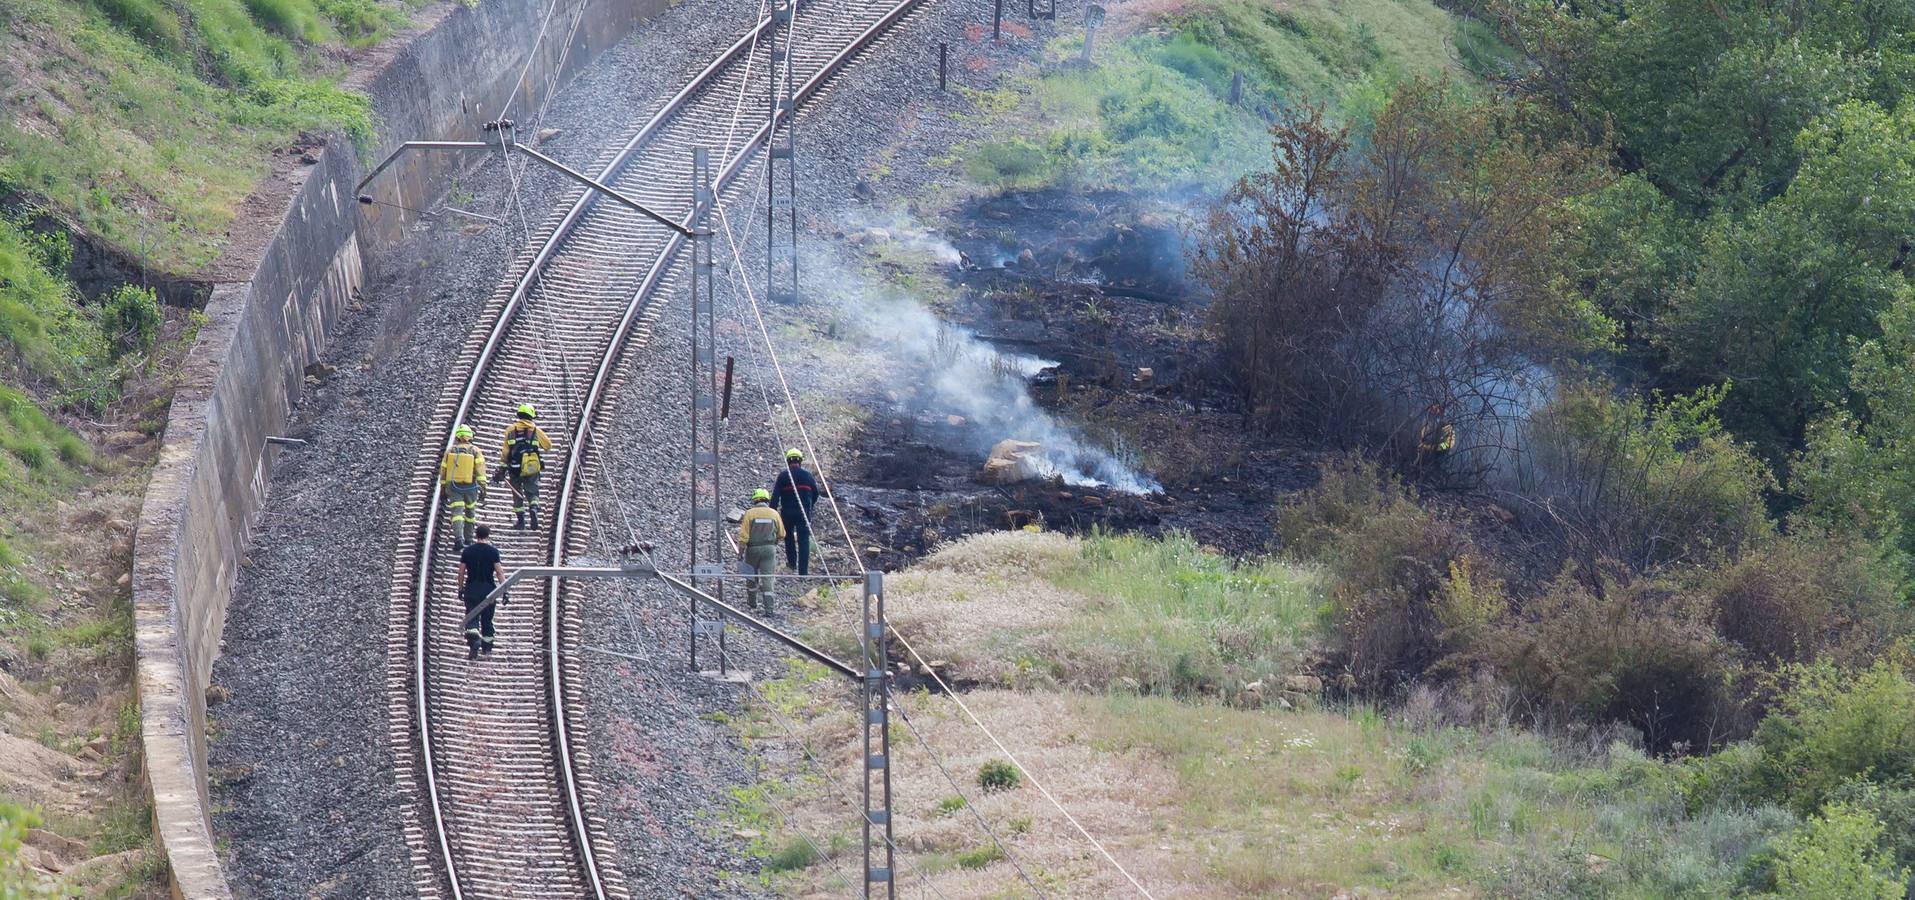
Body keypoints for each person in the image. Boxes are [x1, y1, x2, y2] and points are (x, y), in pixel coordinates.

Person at [500, 403, 554, 530]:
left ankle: (521, 522)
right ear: (531, 416)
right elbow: (548, 446)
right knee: (532, 491)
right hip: (531, 468)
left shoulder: (510, 429)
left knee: (517, 493)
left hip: (515, 468)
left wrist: (502, 467)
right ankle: (534, 507)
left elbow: (505, 452)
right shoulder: (535, 430)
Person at [458, 525, 505, 660]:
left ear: (476, 535)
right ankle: (487, 648)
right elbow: (499, 571)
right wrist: (504, 591)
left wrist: (460, 588)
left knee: (471, 615)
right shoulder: (493, 552)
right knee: (487, 619)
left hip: (471, 589)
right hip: (488, 591)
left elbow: (461, 571)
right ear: (488, 535)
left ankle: (474, 640)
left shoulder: (467, 551)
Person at [439, 424, 487, 550]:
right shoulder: (475, 451)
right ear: (470, 436)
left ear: (458, 437)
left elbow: (443, 470)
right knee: (470, 512)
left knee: (457, 513)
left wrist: (443, 487)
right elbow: (480, 471)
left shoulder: (450, 450)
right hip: (470, 487)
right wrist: (483, 487)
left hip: (454, 487)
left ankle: (458, 539)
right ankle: (469, 539)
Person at [771, 448, 818, 576]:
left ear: (788, 461)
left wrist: (772, 515)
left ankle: (792, 564)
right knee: (804, 541)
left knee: (789, 538)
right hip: (803, 514)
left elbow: (775, 498)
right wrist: (809, 507)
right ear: (800, 461)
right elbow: (816, 494)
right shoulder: (808, 476)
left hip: (787, 513)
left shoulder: (783, 476)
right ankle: (803, 573)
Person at [738, 488, 786, 615]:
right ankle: (769, 609)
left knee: (751, 576)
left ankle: (752, 603)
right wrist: (773, 543)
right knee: (768, 578)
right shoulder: (774, 513)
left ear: (755, 500)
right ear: (767, 499)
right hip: (769, 549)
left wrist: (740, 553)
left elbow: (743, 537)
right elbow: (782, 534)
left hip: (752, 549)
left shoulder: (750, 514)